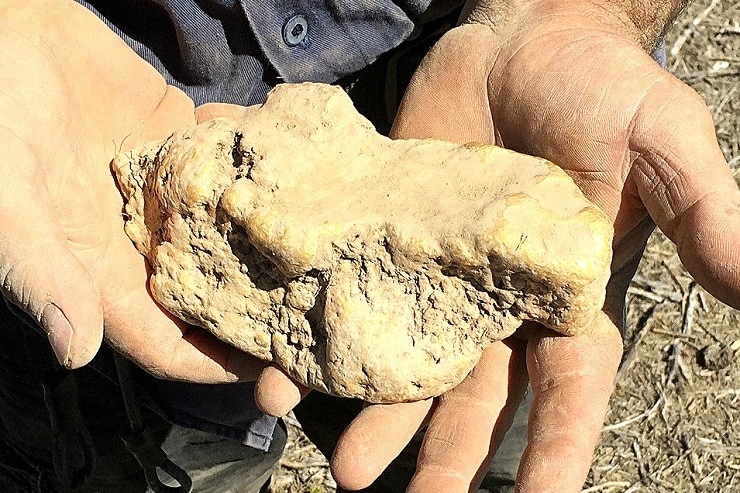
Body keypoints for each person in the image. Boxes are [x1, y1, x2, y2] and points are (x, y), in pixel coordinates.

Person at [0, 0, 737, 492]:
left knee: (471, 449)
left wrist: (591, 9)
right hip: (101, 113)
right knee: (155, 443)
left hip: (485, 90)